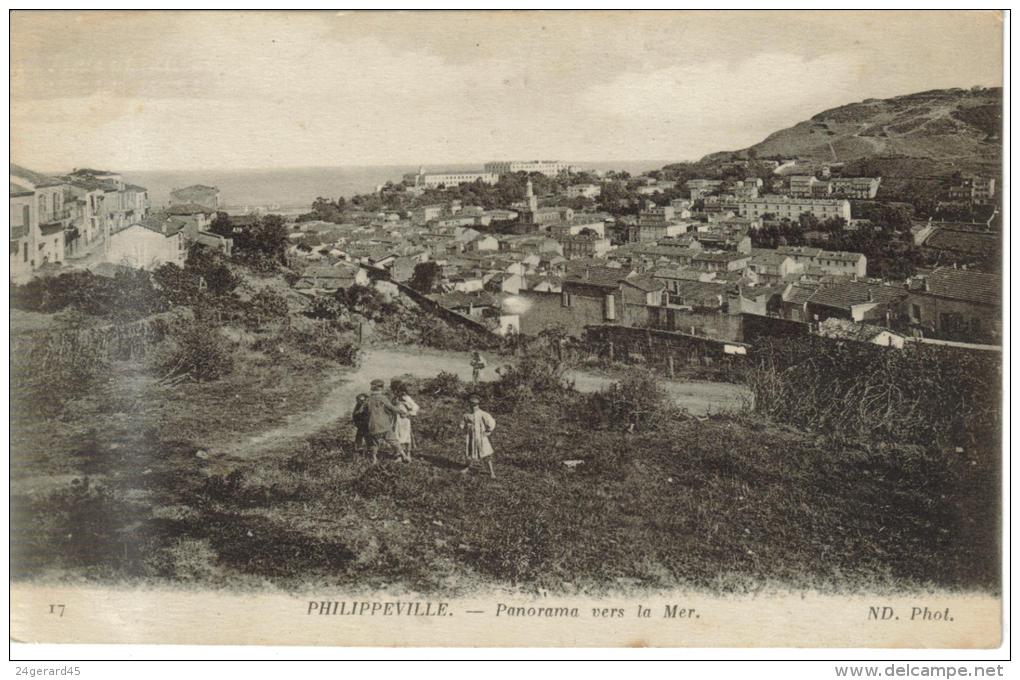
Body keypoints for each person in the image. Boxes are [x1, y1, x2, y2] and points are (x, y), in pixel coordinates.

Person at [354, 379, 408, 464]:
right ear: (381, 388)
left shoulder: (368, 400)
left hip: (373, 427)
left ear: (371, 388)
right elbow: (391, 408)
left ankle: (374, 459)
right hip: (385, 425)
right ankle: (403, 455)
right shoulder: (383, 398)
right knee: (394, 441)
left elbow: (359, 411)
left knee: (374, 444)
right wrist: (401, 412)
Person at [460, 395, 496, 479]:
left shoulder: (483, 414)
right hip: (471, 437)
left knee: (486, 453)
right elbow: (462, 424)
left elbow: (491, 423)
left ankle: (492, 472)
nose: (473, 406)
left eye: (475, 404)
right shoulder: (467, 415)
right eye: (471, 404)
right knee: (469, 452)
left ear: (478, 405)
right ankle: (467, 467)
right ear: (469, 405)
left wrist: (488, 431)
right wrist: (465, 428)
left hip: (481, 438)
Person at [391, 380, 420, 456]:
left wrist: (407, 414)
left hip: (404, 421)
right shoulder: (395, 398)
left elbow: (415, 407)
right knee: (397, 435)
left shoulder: (405, 398)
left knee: (405, 436)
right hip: (396, 420)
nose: (394, 392)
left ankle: (407, 454)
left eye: (396, 390)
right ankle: (399, 453)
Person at [351, 393, 370, 458]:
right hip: (361, 424)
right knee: (359, 436)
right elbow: (354, 415)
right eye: (359, 401)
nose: (361, 402)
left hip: (367, 424)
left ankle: (369, 449)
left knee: (368, 437)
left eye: (362, 400)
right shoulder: (358, 406)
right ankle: (358, 449)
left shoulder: (368, 406)